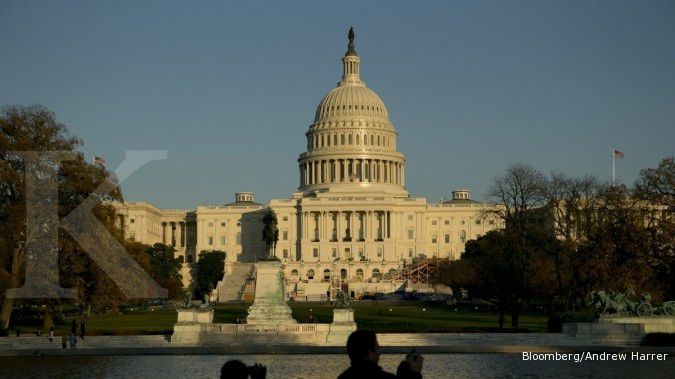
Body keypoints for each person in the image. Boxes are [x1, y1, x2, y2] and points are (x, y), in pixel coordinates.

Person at [337, 330, 423, 379]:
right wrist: (414, 373)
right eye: (377, 349)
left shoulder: (343, 377)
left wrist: (404, 369)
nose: (380, 353)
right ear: (369, 354)